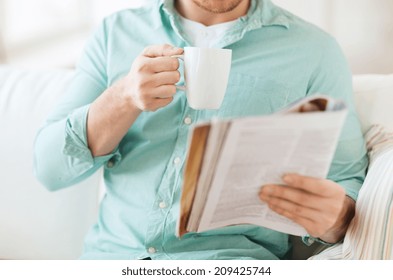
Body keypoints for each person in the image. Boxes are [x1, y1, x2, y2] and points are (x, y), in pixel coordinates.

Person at [33, 0, 368, 260]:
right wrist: (123, 99)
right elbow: (49, 168)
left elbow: (347, 181)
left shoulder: (314, 51)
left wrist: (337, 218)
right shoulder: (115, 33)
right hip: (113, 261)